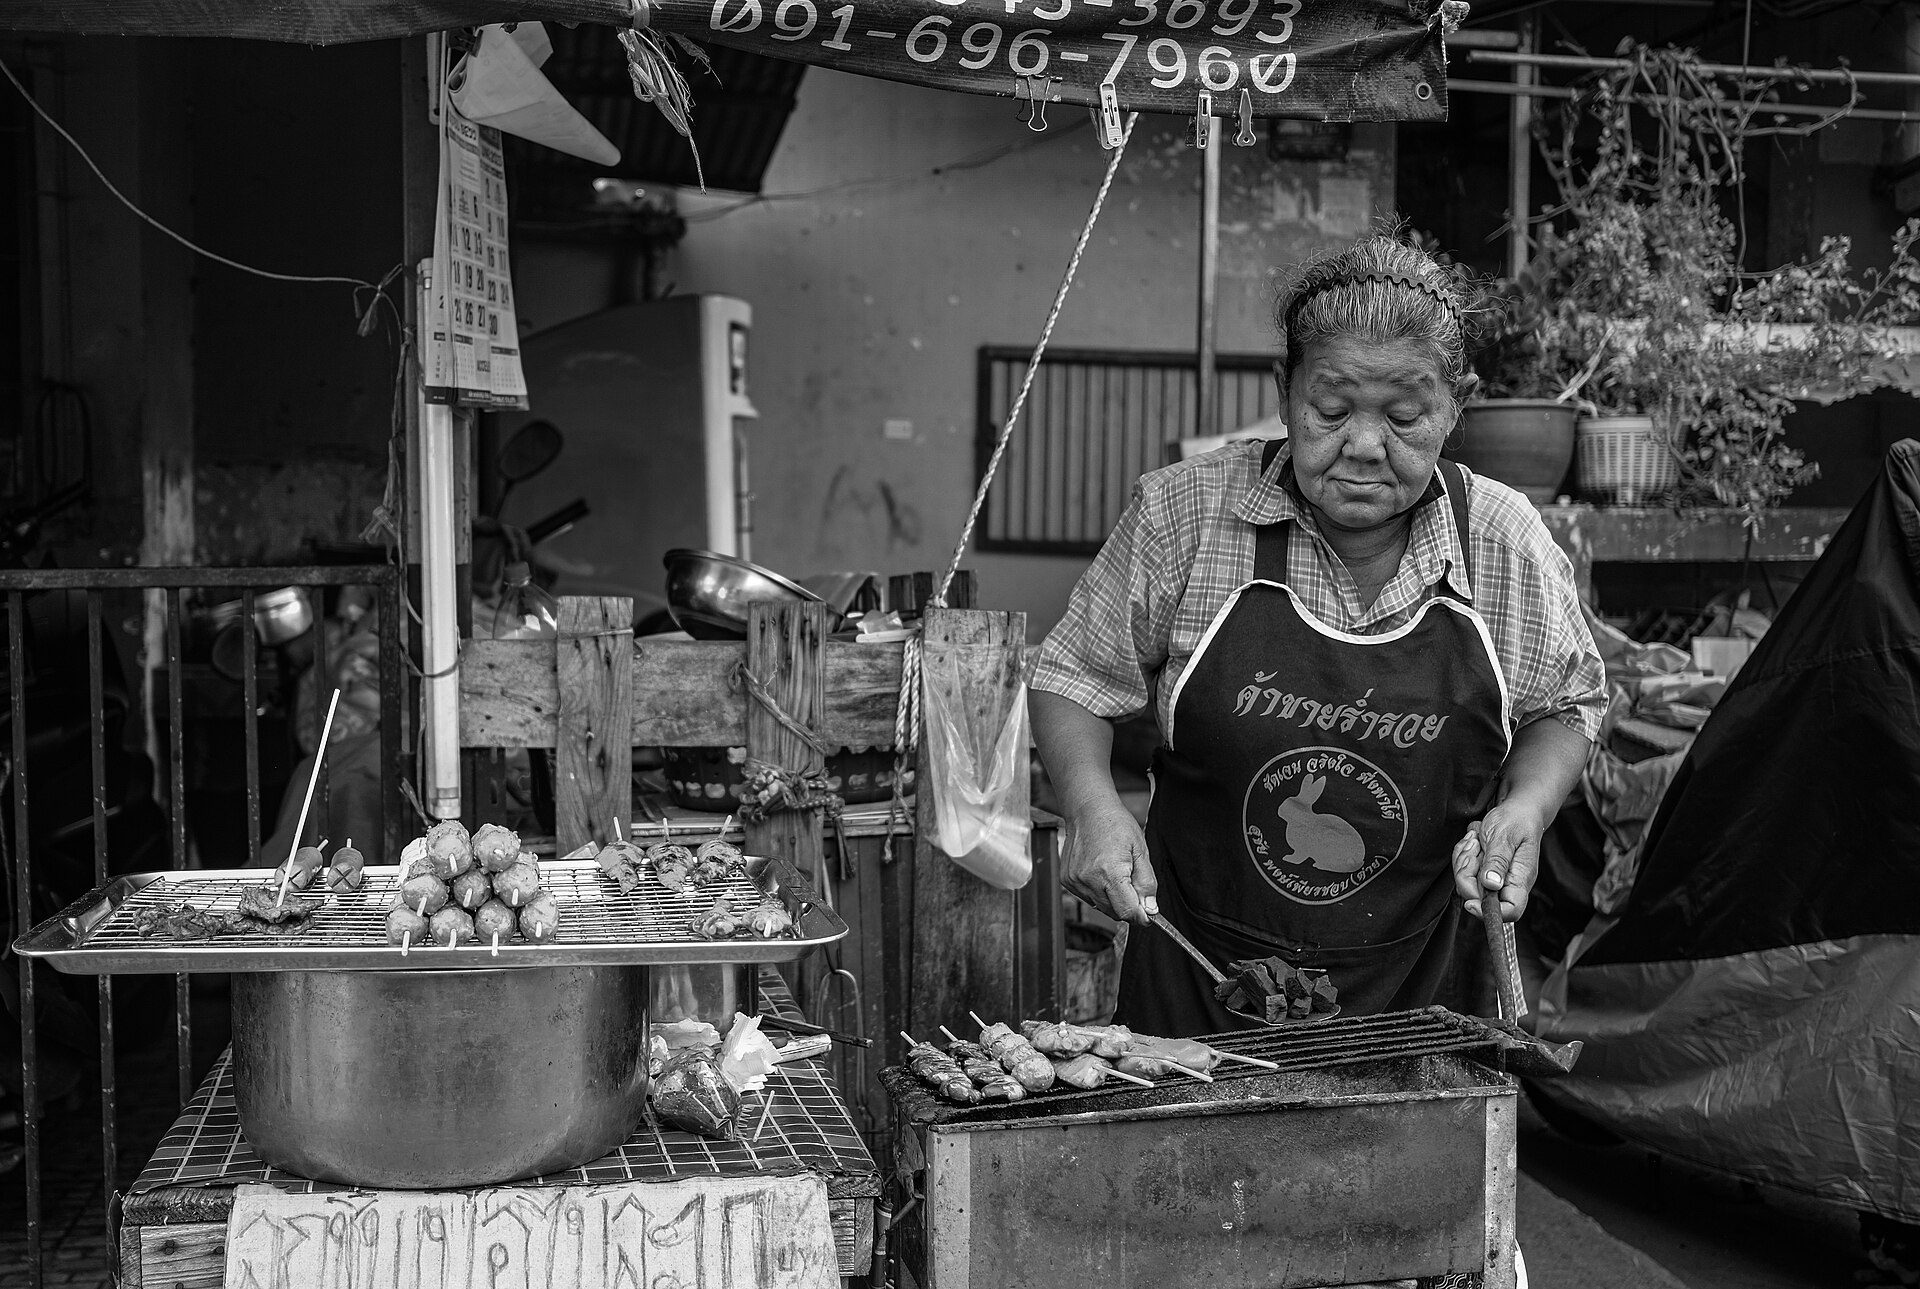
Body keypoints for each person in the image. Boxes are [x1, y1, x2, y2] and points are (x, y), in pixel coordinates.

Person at [1029, 233, 1606, 1037]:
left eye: (1404, 416)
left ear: (1455, 406)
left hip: (1421, 995)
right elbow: (1071, 680)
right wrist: (1092, 806)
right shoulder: (1186, 514)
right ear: (1284, 392)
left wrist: (1528, 808)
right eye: (1331, 411)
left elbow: (1567, 705)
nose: (1364, 446)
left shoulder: (1502, 542)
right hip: (1197, 989)